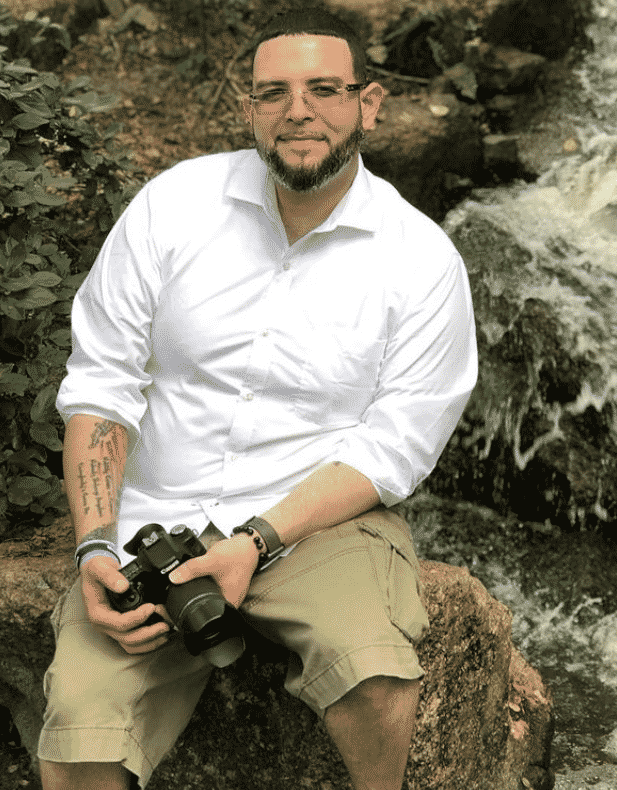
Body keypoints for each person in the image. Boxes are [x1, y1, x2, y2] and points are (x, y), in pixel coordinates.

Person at [37, 8, 477, 790]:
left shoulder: (420, 259)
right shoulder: (174, 206)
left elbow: (397, 443)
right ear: (249, 109)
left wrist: (256, 541)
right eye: (272, 92)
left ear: (369, 104)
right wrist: (95, 547)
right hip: (156, 518)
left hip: (313, 521)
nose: (297, 110)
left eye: (323, 89)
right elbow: (102, 381)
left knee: (373, 677)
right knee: (78, 735)